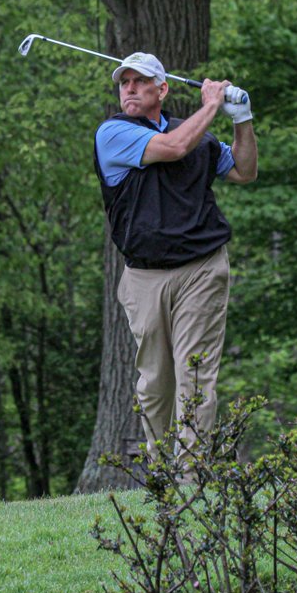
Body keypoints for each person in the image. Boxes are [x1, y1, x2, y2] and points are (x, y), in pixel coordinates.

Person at [93, 51, 258, 457]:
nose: (129, 89)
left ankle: (192, 478)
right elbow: (172, 147)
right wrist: (213, 105)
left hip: (202, 268)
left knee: (195, 373)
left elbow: (243, 170)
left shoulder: (197, 136)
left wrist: (242, 120)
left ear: (162, 89)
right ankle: (162, 468)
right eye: (124, 83)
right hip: (145, 277)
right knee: (156, 381)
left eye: (139, 82)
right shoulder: (113, 134)